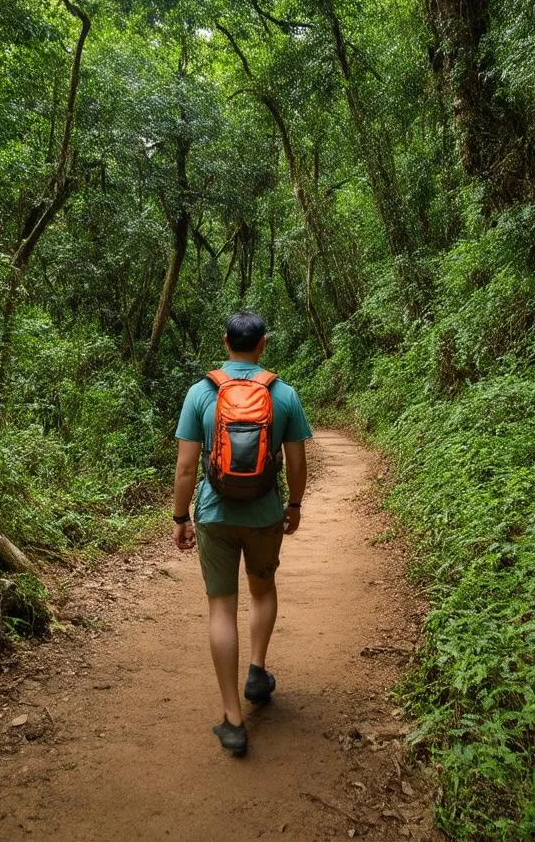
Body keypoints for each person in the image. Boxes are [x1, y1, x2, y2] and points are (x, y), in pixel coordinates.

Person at [172, 311, 312, 756]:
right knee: (263, 589)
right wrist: (293, 506)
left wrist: (180, 517)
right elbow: (295, 463)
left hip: (214, 514)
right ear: (263, 345)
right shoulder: (284, 394)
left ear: (224, 342)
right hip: (265, 513)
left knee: (221, 607)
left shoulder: (200, 393)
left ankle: (233, 720)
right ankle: (257, 669)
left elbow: (186, 467)